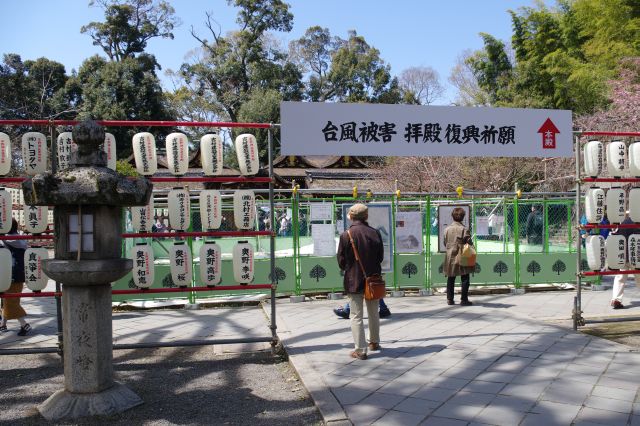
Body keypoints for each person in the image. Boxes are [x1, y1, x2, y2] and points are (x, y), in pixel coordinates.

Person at [337, 203, 384, 360]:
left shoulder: (346, 235)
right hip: (373, 279)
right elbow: (380, 257)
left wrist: (350, 268)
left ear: (351, 216)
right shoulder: (375, 233)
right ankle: (374, 342)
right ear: (366, 216)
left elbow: (341, 261)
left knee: (356, 315)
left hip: (353, 279)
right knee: (373, 312)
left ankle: (360, 350)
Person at [0, 219, 31, 336]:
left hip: (10, 273)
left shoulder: (6, 239)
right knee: (9, 299)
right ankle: (3, 324)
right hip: (19, 272)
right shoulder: (19, 238)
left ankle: (24, 324)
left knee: (10, 301)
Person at [444, 207, 474, 306]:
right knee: (465, 277)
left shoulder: (447, 229)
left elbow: (445, 242)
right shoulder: (464, 229)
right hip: (462, 254)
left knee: (451, 277)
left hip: (450, 255)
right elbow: (469, 243)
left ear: (452, 216)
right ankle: (464, 299)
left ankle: (450, 299)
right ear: (463, 217)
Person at [611, 212, 636, 309]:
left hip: (622, 255)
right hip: (635, 256)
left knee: (620, 277)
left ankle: (616, 299)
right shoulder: (637, 224)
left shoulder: (623, 223)